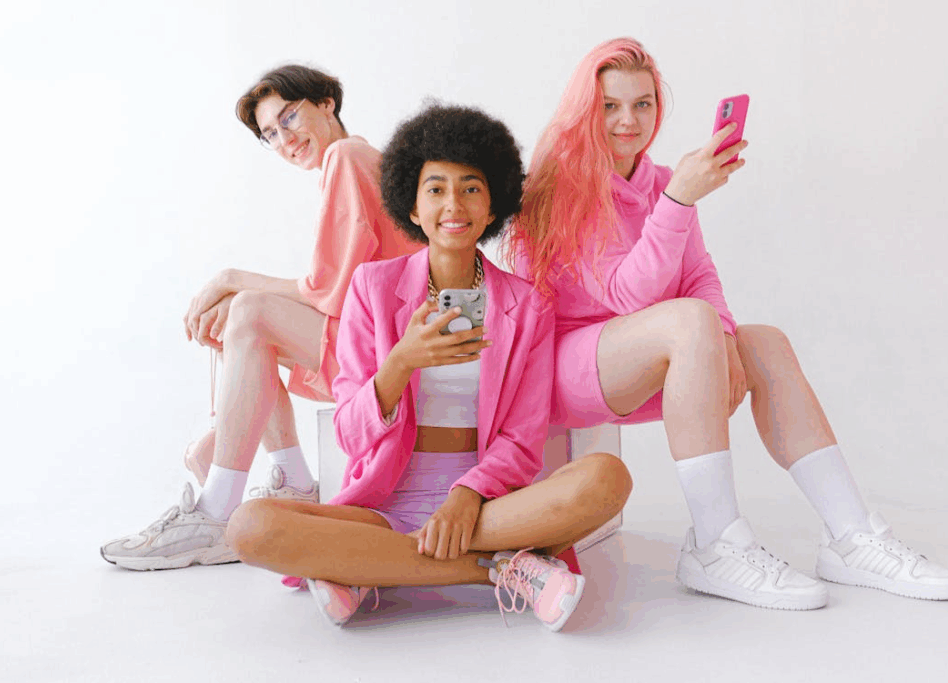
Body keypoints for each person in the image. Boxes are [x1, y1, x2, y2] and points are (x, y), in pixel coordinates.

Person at [508, 37, 948, 609]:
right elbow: (625, 297)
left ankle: (852, 536)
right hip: (563, 367)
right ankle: (715, 542)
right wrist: (677, 202)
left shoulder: (661, 181)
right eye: (611, 105)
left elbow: (699, 274)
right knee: (689, 321)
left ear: (659, 107)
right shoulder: (560, 189)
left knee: (764, 342)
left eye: (643, 104)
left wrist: (723, 342)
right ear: (585, 109)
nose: (629, 120)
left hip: (649, 354)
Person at [226, 104, 633, 631]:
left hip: (489, 506)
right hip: (382, 505)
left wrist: (466, 497)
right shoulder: (372, 289)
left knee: (608, 478)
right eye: (435, 189)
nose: (453, 204)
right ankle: (502, 570)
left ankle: (363, 567)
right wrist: (401, 363)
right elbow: (351, 435)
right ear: (412, 208)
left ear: (493, 207)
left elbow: (524, 437)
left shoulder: (529, 304)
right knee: (250, 526)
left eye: (471, 188)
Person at [100, 65, 420, 570]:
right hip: (380, 342)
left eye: (289, 117)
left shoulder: (346, 155)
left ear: (327, 103)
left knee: (247, 311)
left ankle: (215, 511)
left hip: (392, 354)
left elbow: (325, 289)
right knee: (241, 316)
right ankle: (290, 478)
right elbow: (336, 288)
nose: (285, 139)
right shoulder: (349, 162)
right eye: (270, 134)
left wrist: (232, 277)